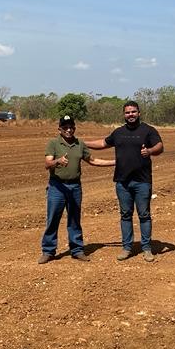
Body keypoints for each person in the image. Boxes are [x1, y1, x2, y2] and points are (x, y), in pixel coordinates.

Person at [85, 101, 164, 262]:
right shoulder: (118, 132)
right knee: (125, 215)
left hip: (142, 181)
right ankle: (127, 248)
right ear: (124, 114)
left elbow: (160, 147)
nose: (131, 115)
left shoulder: (148, 130)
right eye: (128, 112)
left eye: (133, 112)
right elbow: (103, 143)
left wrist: (149, 151)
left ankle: (147, 248)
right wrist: (82, 143)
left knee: (144, 215)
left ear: (139, 113)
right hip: (122, 182)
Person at [40, 114, 115, 264]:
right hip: (57, 187)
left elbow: (93, 161)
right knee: (53, 219)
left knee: (74, 219)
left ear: (74, 128)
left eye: (71, 127)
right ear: (59, 129)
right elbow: (47, 164)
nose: (68, 130)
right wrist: (58, 161)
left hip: (75, 186)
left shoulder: (80, 144)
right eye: (65, 127)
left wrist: (115, 162)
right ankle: (48, 251)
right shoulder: (53, 143)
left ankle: (77, 250)